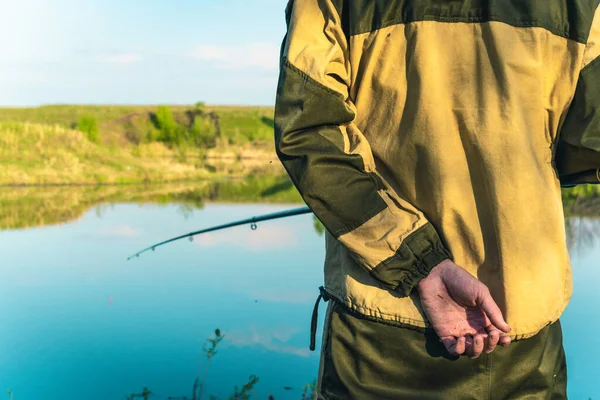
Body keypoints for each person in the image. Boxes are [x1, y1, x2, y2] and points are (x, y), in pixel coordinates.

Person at [274, 0, 600, 399]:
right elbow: (585, 146)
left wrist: (421, 265)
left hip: (381, 332)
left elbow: (308, 133)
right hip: (524, 331)